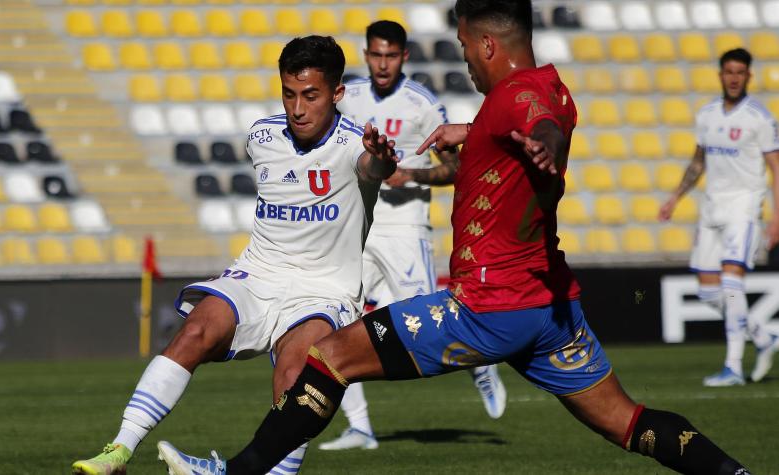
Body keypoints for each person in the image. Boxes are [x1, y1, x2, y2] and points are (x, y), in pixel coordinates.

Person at [156, 1, 752, 474]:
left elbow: (538, 124)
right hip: (548, 308)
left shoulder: (522, 100)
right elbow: (533, 116)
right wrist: (469, 130)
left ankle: (235, 472)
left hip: (487, 306)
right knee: (628, 422)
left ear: (487, 43)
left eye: (466, 45)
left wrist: (548, 146)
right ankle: (732, 472)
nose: (465, 58)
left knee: (326, 357)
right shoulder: (542, 85)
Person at [71, 35, 398, 475]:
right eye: (289, 94)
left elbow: (372, 168)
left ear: (337, 93)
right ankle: (118, 451)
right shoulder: (262, 136)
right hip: (258, 274)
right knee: (195, 332)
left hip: (322, 289)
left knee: (294, 378)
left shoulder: (358, 144)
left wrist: (381, 162)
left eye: (311, 95)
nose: (297, 108)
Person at [319, 20, 506, 453]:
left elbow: (458, 168)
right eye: (375, 55)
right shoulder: (349, 98)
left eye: (391, 55)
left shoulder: (422, 104)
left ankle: (479, 364)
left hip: (406, 229)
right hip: (358, 226)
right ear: (366, 55)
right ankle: (361, 428)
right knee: (334, 318)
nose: (382, 64)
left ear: (403, 57)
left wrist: (413, 175)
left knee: (430, 329)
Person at [659, 48, 779, 386]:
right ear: (720, 74)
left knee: (730, 284)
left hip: (744, 207)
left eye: (740, 72)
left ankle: (734, 367)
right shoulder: (707, 115)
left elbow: (775, 168)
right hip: (712, 207)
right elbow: (698, 163)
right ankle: (763, 335)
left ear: (749, 76)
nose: (734, 77)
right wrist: (675, 198)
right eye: (729, 71)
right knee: (709, 292)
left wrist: (776, 217)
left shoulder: (760, 118)